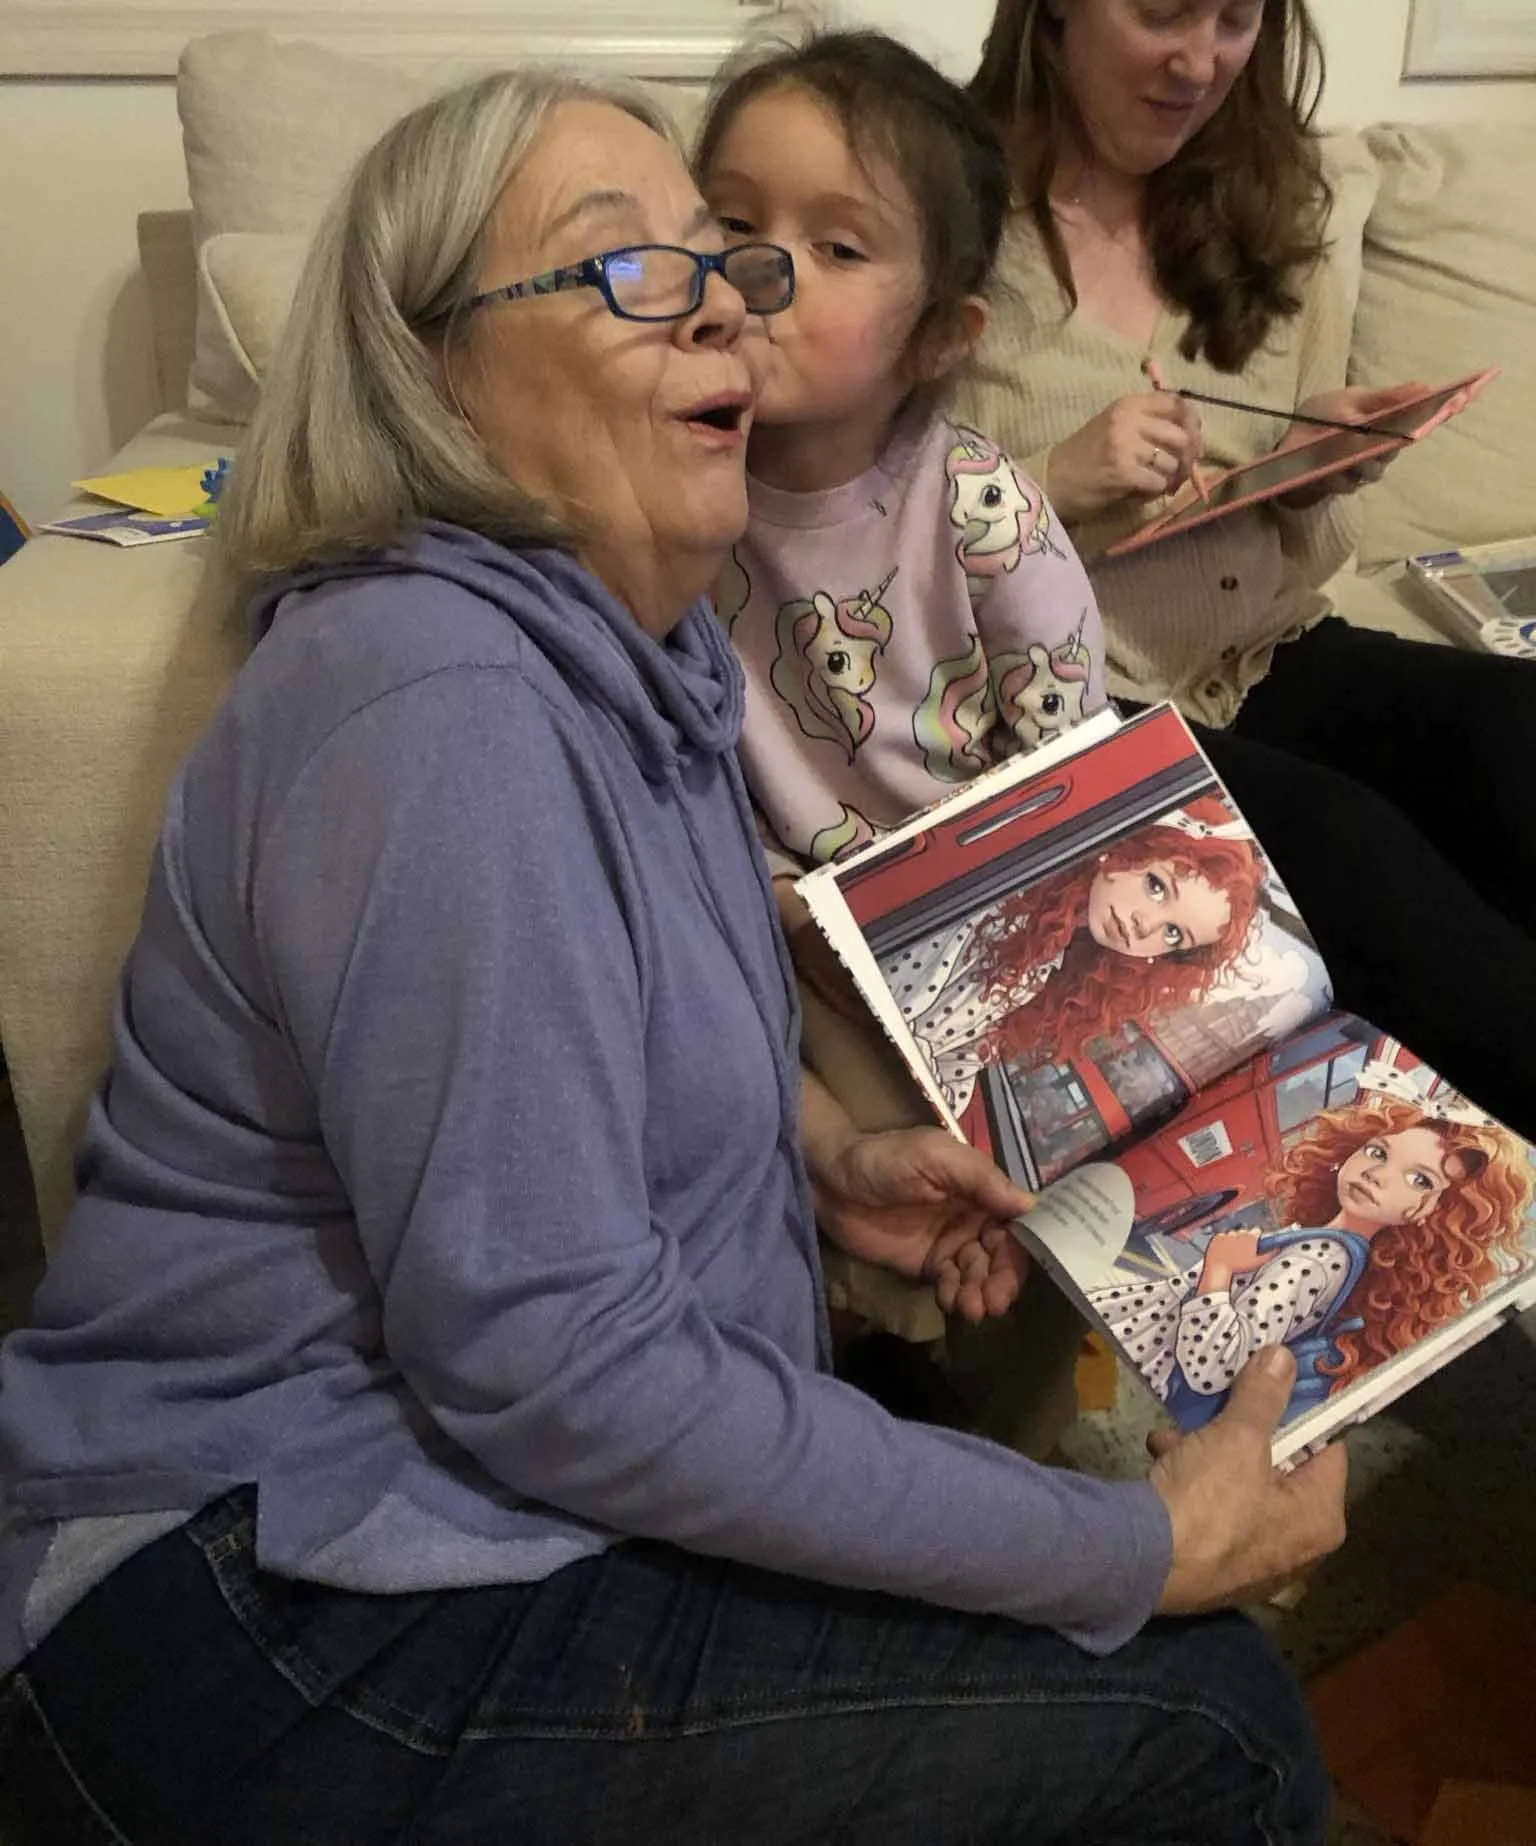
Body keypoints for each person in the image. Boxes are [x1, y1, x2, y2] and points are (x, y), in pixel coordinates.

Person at [0, 63, 1345, 1845]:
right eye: (622, 264)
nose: (722, 291)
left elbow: (574, 1080)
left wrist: (824, 1157)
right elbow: (560, 1367)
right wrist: (1138, 1546)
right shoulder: (440, 701)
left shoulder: (647, 670)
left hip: (436, 1520)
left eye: (716, 254)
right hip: (258, 1605)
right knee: (1215, 1730)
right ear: (433, 370)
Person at [955, 0, 1536, 1142]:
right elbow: (863, 550)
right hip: (1082, 698)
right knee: (1363, 856)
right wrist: (1047, 485)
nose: (1199, 60)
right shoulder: (945, 212)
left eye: (1234, 19)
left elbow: (1302, 563)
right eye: (1163, 11)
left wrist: (1309, 468)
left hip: (1272, 650)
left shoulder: (1273, 206)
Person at [696, 30, 1108, 1367]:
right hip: (785, 927)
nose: (760, 271)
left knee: (1041, 1175)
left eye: (838, 246)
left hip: (989, 922)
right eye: (729, 221)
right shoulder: (672, 486)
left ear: (941, 334)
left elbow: (1078, 766)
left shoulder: (979, 507)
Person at [1091, 1093, 1534, 1428]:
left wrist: (1219, 1269)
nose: (1377, 1173)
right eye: (1379, 1152)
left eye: (1419, 1180)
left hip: (1133, 1370)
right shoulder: (1332, 1249)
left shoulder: (1320, 1257)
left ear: (1424, 1212)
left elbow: (1215, 1366)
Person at [884, 805, 1264, 1116]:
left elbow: (957, 1065)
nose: (1145, 924)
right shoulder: (1005, 903)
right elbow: (899, 1009)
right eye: (1156, 885)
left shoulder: (1048, 963)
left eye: (1173, 934)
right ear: (1129, 846)